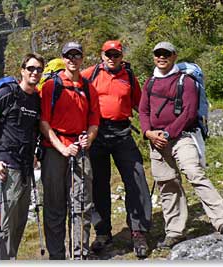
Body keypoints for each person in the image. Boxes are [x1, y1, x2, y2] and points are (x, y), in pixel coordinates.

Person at [139, 41, 223, 249]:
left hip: (183, 137)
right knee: (167, 184)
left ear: (174, 56)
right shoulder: (149, 83)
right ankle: (175, 231)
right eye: (158, 54)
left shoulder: (187, 81)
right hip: (156, 141)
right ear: (154, 57)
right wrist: (149, 133)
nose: (162, 57)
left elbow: (189, 112)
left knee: (194, 174)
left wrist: (167, 133)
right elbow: (144, 111)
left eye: (166, 53)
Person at [82, 40, 152, 258]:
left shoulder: (129, 77)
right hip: (96, 133)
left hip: (122, 132)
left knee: (136, 179)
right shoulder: (89, 74)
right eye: (108, 54)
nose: (112, 58)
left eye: (116, 54)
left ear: (122, 56)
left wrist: (155, 127)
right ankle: (102, 232)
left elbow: (141, 106)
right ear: (102, 55)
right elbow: (71, 92)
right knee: (99, 184)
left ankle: (138, 231)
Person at [0, 53, 44, 259]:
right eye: (31, 68)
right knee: (1, 228)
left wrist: (34, 154)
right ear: (22, 71)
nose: (35, 72)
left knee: (17, 227)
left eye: (39, 69)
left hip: (25, 171)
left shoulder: (35, 99)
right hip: (5, 169)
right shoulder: (8, 94)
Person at [40, 41, 100, 260]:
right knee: (55, 206)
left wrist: (89, 139)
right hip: (55, 149)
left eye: (77, 55)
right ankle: (57, 257)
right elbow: (44, 123)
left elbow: (94, 121)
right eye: (68, 55)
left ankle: (79, 256)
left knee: (81, 205)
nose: (72, 59)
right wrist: (62, 147)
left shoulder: (88, 88)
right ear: (63, 58)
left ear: (82, 58)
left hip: (80, 150)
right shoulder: (51, 86)